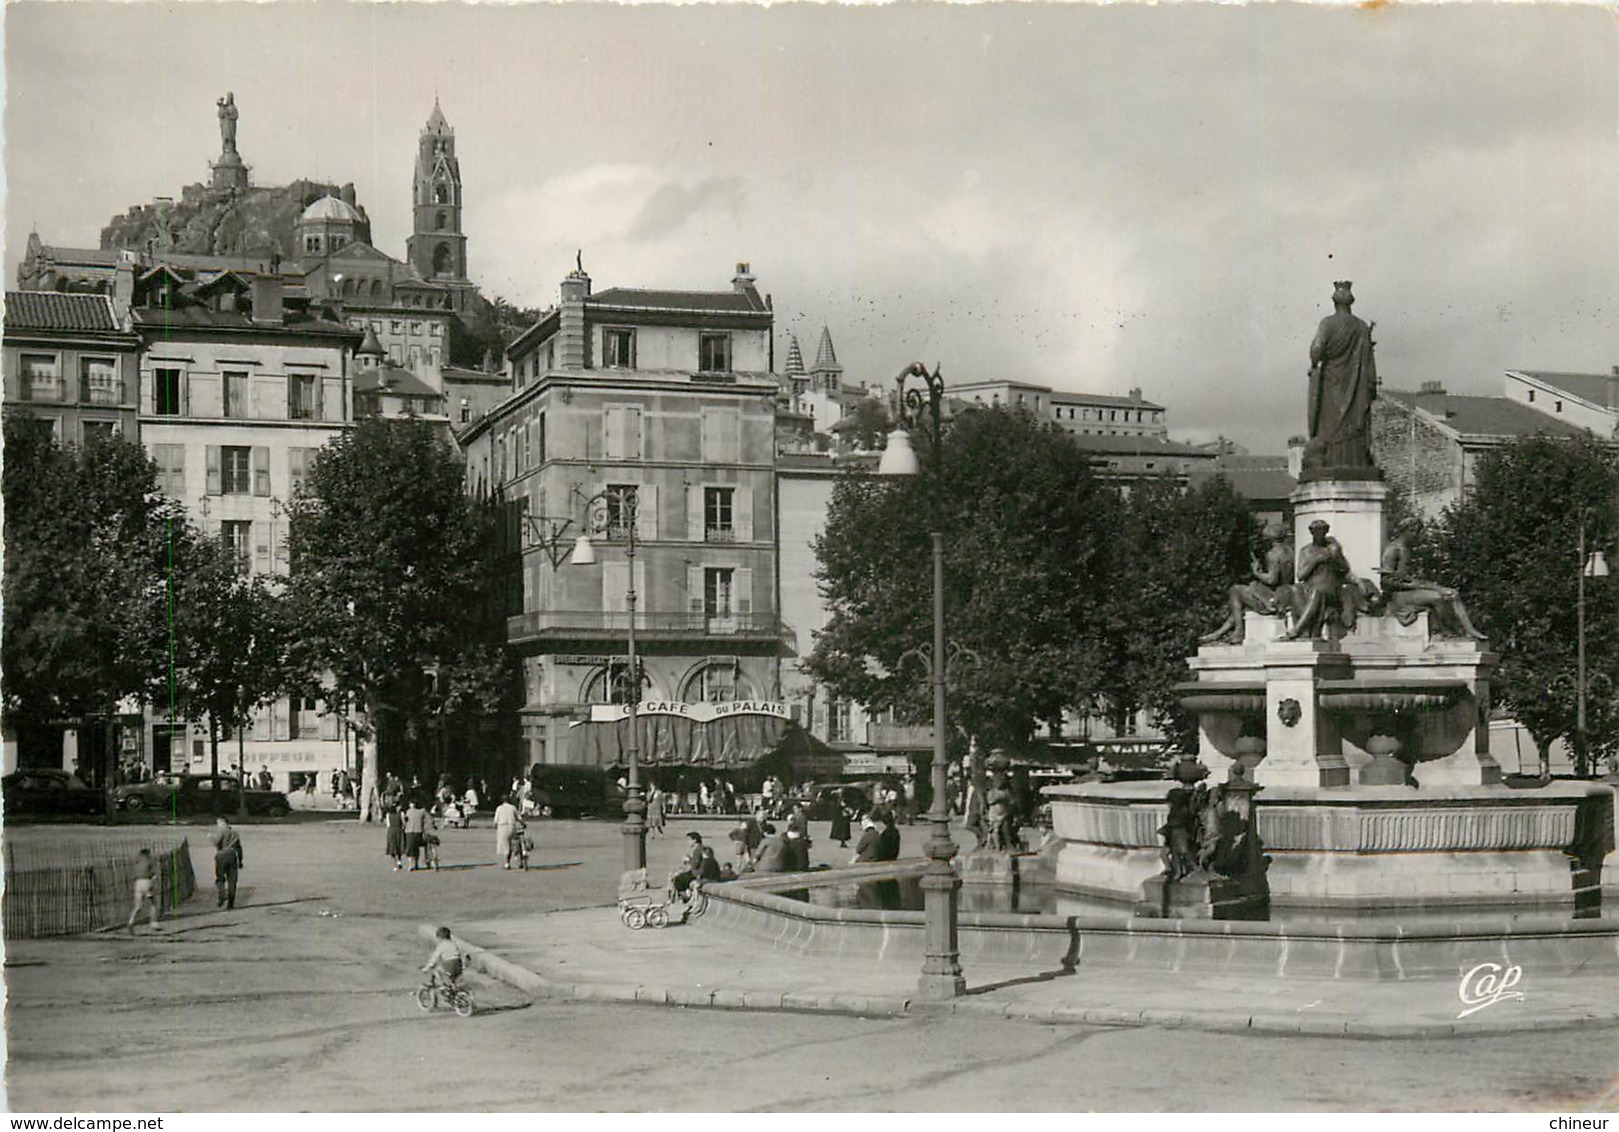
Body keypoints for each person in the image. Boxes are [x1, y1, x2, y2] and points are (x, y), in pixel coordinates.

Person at [1301, 280, 1379, 480]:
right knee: (1352, 422)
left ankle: (1332, 458)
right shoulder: (1361, 327)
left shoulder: (1328, 323)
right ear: (1350, 302)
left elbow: (1316, 350)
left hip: (1331, 384)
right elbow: (1369, 361)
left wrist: (1316, 360)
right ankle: (1354, 458)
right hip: (1355, 388)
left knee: (1329, 426)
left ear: (1335, 302)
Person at [1378, 524, 1487, 640]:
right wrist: (1410, 584)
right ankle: (1447, 632)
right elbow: (1385, 582)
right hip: (1400, 595)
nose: (1417, 536)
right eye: (1416, 532)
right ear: (1408, 530)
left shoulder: (1409, 549)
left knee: (1453, 593)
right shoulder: (1393, 549)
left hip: (1415, 589)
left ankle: (1469, 630)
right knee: (1438, 597)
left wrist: (1421, 582)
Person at [1202, 522, 1297, 644]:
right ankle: (1220, 633)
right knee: (1243, 598)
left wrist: (1256, 572)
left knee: (1235, 590)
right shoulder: (1290, 551)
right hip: (1284, 594)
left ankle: (1238, 631)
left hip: (1272, 599)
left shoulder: (1273, 555)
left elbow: (1271, 579)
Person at [1283, 520, 1355, 641]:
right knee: (1295, 589)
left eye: (1322, 531)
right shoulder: (1305, 551)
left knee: (1316, 593)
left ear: (1326, 531)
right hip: (1310, 586)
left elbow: (1345, 569)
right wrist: (1316, 561)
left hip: (1329, 589)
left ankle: (1296, 631)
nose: (1319, 534)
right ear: (1311, 532)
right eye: (1316, 531)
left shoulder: (1332, 549)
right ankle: (1308, 632)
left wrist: (1335, 557)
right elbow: (1300, 575)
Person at [208, 817, 244, 910]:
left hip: (221, 855)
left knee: (220, 878)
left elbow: (216, 842)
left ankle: (222, 893)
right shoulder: (235, 833)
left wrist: (209, 837)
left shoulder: (220, 832)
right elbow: (239, 848)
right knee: (232, 881)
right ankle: (230, 904)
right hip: (232, 855)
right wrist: (240, 861)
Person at [126, 848, 160, 935]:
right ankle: (154, 923)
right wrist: (154, 881)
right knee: (153, 903)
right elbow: (154, 875)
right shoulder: (150, 861)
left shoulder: (137, 862)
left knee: (138, 906)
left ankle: (131, 921)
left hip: (138, 883)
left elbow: (133, 874)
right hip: (147, 882)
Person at [493, 794, 520, 869]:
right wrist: (523, 823)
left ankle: (507, 863)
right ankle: (517, 858)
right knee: (514, 843)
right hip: (512, 826)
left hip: (502, 827)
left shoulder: (499, 808)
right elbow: (518, 817)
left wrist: (495, 826)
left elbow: (495, 821)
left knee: (506, 846)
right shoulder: (513, 807)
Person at [403, 798, 429, 871]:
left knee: (410, 849)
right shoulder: (421, 811)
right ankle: (416, 864)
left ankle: (411, 865)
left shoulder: (408, 812)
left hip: (410, 831)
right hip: (418, 831)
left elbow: (405, 821)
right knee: (416, 848)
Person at [384, 801, 407, 870]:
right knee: (396, 847)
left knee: (395, 847)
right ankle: (398, 862)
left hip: (392, 831)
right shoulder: (401, 814)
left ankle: (397, 862)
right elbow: (404, 823)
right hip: (398, 830)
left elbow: (388, 824)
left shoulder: (389, 814)